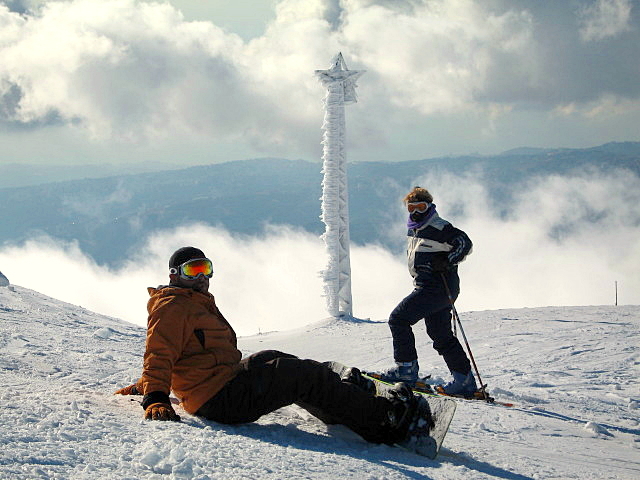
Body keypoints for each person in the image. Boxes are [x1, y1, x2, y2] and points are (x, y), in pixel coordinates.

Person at [114, 246, 423, 446]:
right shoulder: (173, 306)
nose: (202, 277)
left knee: (274, 359)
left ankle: (341, 403)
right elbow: (160, 351)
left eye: (205, 269)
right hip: (218, 400)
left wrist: (143, 384)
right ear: (174, 275)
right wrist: (155, 396)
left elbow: (179, 352)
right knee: (295, 376)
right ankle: (385, 422)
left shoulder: (191, 301)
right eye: (193, 271)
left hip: (222, 383)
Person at [382, 187, 477, 395]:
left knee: (398, 319)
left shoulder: (438, 226)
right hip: (436, 287)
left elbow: (464, 243)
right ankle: (464, 380)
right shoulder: (416, 228)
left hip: (436, 287)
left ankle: (406, 369)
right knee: (440, 333)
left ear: (430, 207)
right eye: (411, 208)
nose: (416, 212)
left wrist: (448, 261)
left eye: (421, 207)